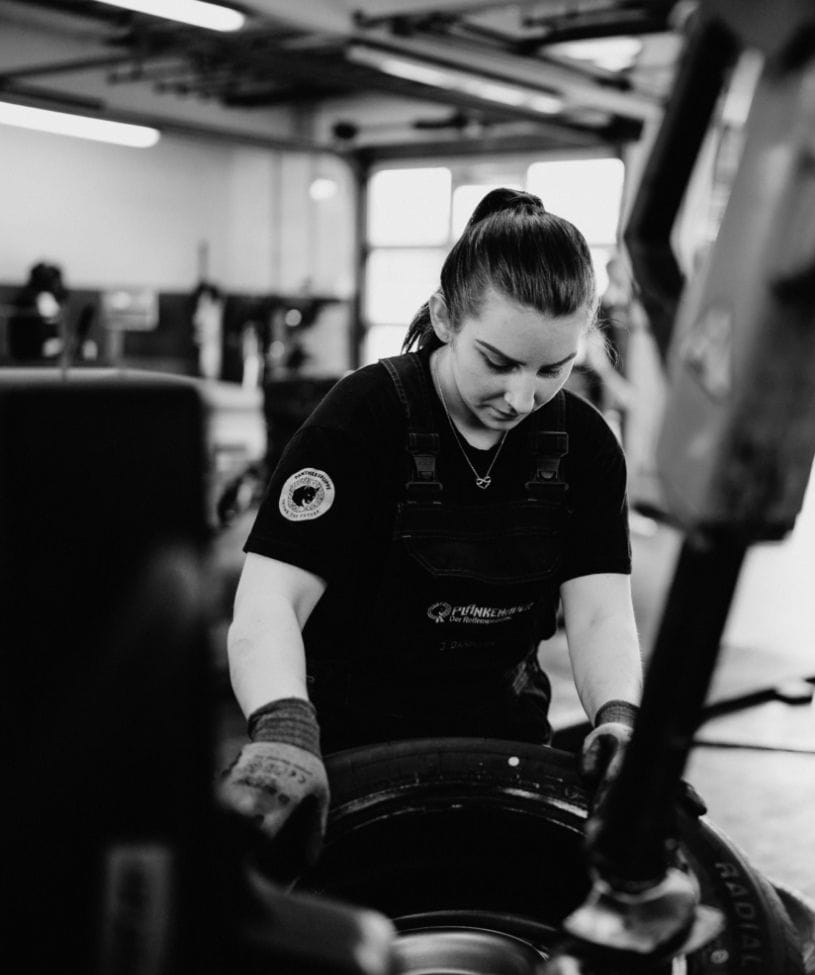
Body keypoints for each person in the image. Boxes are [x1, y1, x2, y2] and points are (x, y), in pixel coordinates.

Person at [219, 188, 643, 870]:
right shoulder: (362, 417)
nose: (522, 397)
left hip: (505, 744)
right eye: (498, 362)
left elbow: (601, 615)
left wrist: (619, 720)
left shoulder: (586, 446)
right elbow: (271, 598)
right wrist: (284, 726)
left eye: (552, 368)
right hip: (347, 747)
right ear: (445, 317)